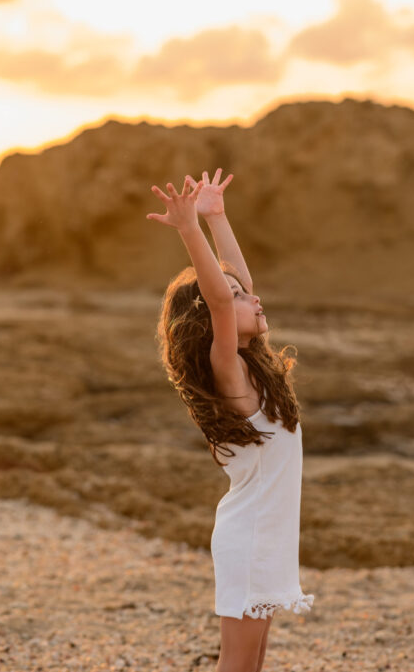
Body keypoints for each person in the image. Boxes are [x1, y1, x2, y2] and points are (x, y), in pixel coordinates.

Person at [146, 167, 314, 672]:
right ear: (211, 317)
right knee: (238, 665)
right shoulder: (230, 370)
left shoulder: (255, 365)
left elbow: (237, 285)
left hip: (270, 538)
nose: (253, 298)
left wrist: (217, 217)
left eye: (245, 292)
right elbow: (221, 298)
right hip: (250, 538)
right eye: (238, 296)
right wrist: (189, 229)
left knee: (253, 663)